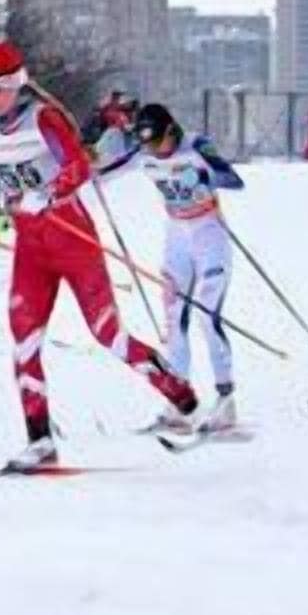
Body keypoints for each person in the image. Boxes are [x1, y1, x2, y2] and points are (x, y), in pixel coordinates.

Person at [0, 42, 196, 468]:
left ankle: (180, 396)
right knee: (23, 341)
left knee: (108, 335)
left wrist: (48, 193)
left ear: (17, 85)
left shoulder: (43, 118)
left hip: (72, 238)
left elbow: (77, 166)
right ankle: (40, 440)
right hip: (32, 248)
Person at [97, 102, 246, 431]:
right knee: (174, 319)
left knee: (208, 316)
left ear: (171, 131)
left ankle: (226, 400)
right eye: (146, 144)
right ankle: (179, 401)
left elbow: (233, 180)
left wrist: (205, 175)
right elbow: (103, 174)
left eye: (157, 142)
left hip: (209, 235)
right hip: (177, 236)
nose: (154, 151)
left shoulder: (196, 145)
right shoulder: (143, 154)